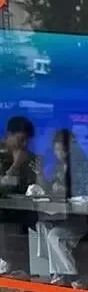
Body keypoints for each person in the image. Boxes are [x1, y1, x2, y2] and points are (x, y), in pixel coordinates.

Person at [39, 129, 88, 287]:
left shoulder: (82, 166)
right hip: (62, 215)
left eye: (61, 150)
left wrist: (66, 191)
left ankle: (72, 276)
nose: (59, 154)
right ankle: (57, 273)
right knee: (42, 225)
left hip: (80, 218)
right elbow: (52, 189)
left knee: (54, 236)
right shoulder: (59, 167)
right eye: (56, 150)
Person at [0, 116, 38, 276]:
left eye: (27, 141)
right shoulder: (2, 154)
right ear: (9, 135)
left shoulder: (29, 157)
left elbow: (35, 184)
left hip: (23, 210)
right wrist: (15, 165)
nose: (24, 144)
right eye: (21, 139)